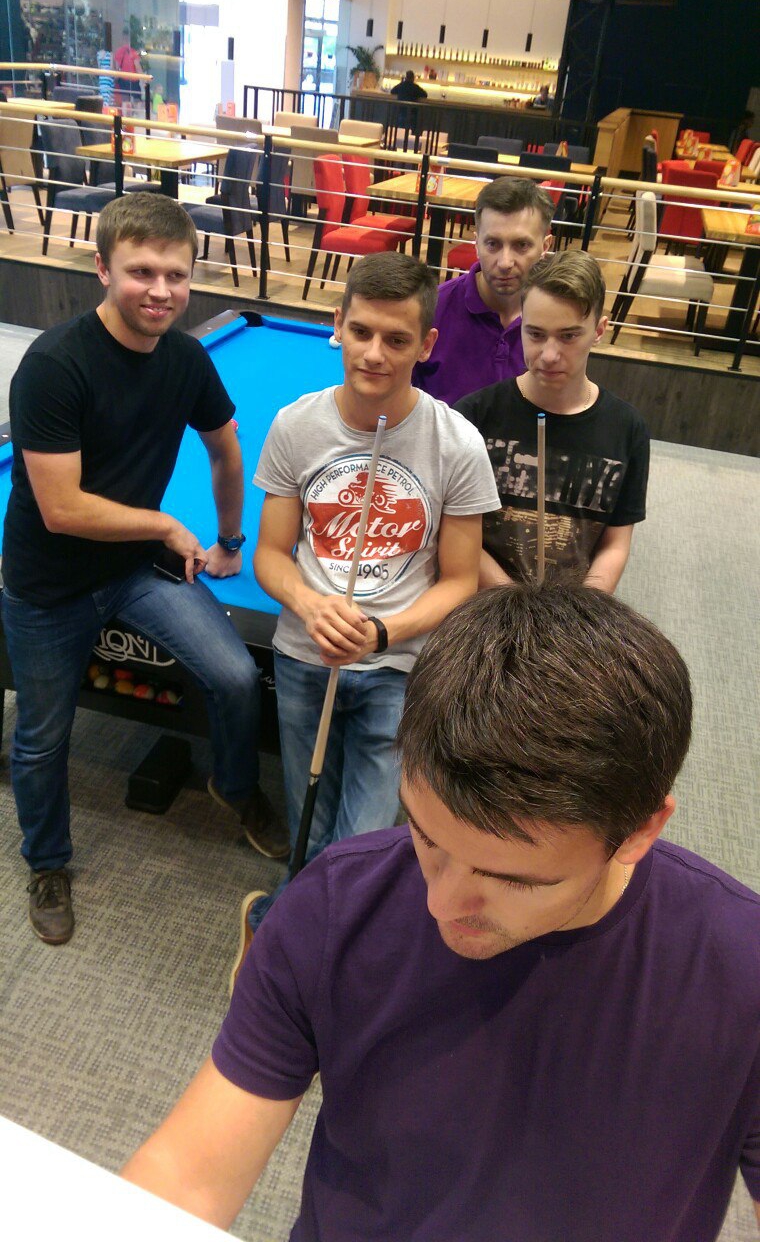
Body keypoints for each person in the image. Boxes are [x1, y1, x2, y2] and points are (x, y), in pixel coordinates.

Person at [120, 583, 760, 1242]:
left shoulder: (742, 972)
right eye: (426, 837)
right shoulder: (335, 908)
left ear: (640, 830)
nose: (441, 905)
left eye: (513, 880)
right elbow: (189, 1177)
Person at [1, 193, 288, 947]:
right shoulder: (54, 366)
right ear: (103, 269)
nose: (161, 291)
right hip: (47, 588)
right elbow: (60, 508)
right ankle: (47, 862)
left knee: (235, 677)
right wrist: (165, 524)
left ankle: (235, 788)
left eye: (176, 275)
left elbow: (225, 448)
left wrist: (230, 539)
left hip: (131, 571)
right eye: (141, 272)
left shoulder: (186, 359)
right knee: (42, 738)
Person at [239, 251, 500, 953]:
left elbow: (460, 581)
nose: (374, 354)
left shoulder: (458, 443)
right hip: (305, 656)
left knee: (363, 839)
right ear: (338, 325)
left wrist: (382, 633)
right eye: (361, 332)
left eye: (396, 339)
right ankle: (290, 943)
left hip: (397, 668)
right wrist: (309, 603)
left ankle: (301, 942)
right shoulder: (296, 425)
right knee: (308, 824)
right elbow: (270, 555)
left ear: (427, 344)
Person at [456, 250, 649, 592]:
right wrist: (519, 605)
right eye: (535, 334)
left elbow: (615, 544)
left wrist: (579, 610)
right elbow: (458, 531)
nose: (548, 355)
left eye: (568, 336)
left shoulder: (627, 428)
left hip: (573, 608)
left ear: (599, 330)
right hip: (484, 603)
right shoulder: (473, 415)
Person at [413, 176, 554, 406]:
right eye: (493, 244)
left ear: (545, 247)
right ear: (477, 244)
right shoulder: (431, 310)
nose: (505, 262)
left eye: (521, 245)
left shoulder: (557, 319)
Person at [390, 69, 428, 137]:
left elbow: (392, 91)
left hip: (401, 112)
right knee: (411, 132)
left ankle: (399, 141)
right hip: (412, 113)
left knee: (400, 131)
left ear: (406, 77)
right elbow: (425, 95)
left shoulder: (401, 85)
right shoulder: (415, 87)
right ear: (413, 78)